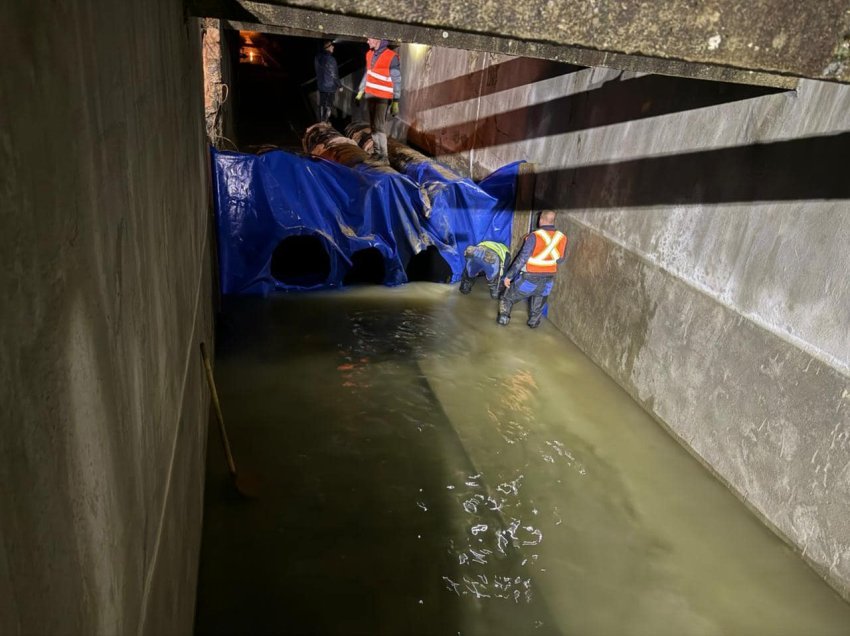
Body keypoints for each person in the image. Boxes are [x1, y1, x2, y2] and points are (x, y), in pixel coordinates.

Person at [497, 210, 567, 328]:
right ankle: (533, 326)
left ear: (541, 220)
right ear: (553, 221)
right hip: (547, 282)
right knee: (536, 312)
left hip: (529, 280)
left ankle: (501, 325)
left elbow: (522, 259)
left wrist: (509, 276)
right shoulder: (562, 238)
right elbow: (560, 260)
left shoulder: (534, 236)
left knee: (506, 298)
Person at [355, 38, 401, 162]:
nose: (367, 42)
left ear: (377, 40)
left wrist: (396, 100)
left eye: (369, 39)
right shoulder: (369, 54)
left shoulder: (392, 57)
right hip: (370, 95)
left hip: (382, 97)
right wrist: (360, 91)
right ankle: (377, 153)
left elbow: (396, 80)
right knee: (373, 126)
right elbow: (367, 74)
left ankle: (384, 156)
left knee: (379, 126)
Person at [314, 40, 341, 122]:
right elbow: (334, 74)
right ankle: (325, 122)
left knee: (322, 103)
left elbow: (317, 70)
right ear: (327, 48)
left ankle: (321, 121)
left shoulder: (317, 57)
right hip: (330, 86)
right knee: (328, 104)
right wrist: (339, 85)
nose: (333, 47)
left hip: (321, 85)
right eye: (331, 45)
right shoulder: (331, 59)